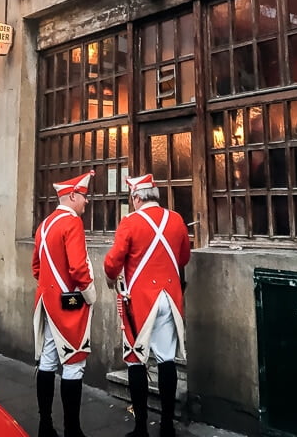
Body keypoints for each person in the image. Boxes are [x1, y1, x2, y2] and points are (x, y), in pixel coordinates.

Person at [103, 174, 191, 437]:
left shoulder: (130, 222)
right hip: (169, 299)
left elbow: (112, 262)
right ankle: (166, 426)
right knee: (166, 360)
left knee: (136, 362)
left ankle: (141, 428)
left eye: (132, 198)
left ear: (137, 197)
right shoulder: (176, 219)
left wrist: (110, 278)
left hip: (140, 303)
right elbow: (183, 257)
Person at [33, 171, 97, 437]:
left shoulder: (44, 224)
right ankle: (72, 429)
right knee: (73, 362)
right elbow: (78, 267)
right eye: (84, 196)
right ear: (72, 195)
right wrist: (89, 293)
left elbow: (36, 268)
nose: (86, 202)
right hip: (69, 302)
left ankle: (45, 424)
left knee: (48, 360)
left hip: (46, 301)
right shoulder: (72, 224)